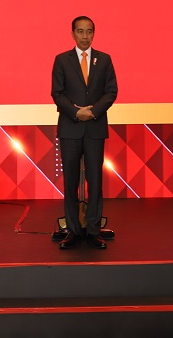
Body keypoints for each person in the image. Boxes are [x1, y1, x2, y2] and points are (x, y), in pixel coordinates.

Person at [51, 16, 118, 250]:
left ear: (93, 34)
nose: (85, 36)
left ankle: (93, 231)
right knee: (70, 183)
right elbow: (57, 93)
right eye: (80, 31)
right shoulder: (62, 60)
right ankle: (72, 230)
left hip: (95, 128)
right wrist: (75, 112)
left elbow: (111, 92)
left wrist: (93, 112)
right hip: (70, 128)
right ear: (73, 34)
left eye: (89, 31)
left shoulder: (104, 59)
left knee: (95, 182)